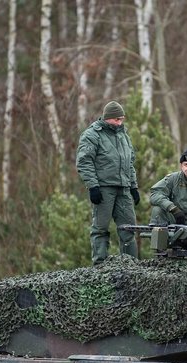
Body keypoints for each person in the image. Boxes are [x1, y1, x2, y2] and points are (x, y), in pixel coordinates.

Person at [75, 101, 140, 265]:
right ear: (107, 118)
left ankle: (131, 264)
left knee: (129, 229)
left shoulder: (123, 135)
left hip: (124, 189)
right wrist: (93, 186)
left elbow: (130, 163)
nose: (120, 123)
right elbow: (84, 162)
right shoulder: (92, 135)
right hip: (104, 188)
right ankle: (100, 265)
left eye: (122, 119)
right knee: (100, 228)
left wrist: (133, 186)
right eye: (117, 119)